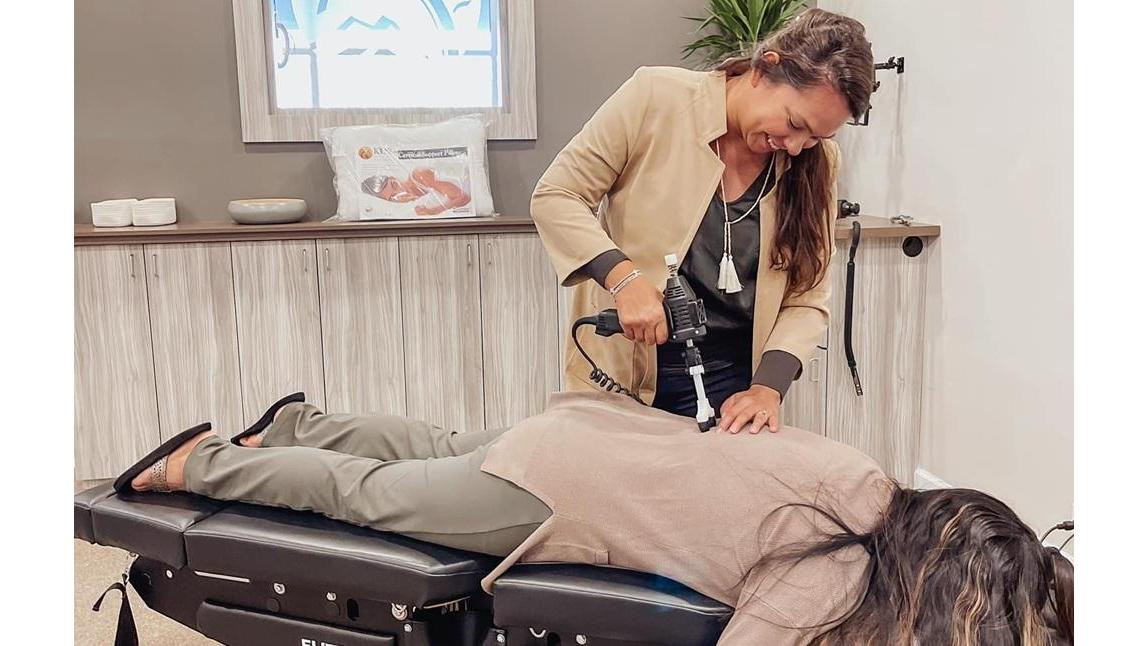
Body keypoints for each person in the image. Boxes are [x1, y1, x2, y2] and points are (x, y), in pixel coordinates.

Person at [114, 391, 1073, 645]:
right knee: (363, 497)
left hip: (593, 433)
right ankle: (197, 464)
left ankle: (295, 424)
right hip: (555, 495)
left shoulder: (866, 479)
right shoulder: (834, 574)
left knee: (431, 447)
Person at [531, 8, 874, 433]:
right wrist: (623, 279)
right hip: (621, 379)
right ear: (764, 68)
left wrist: (767, 388)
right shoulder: (655, 99)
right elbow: (557, 195)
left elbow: (807, 297)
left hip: (734, 400)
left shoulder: (817, 163)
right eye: (793, 123)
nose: (796, 146)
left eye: (816, 137)